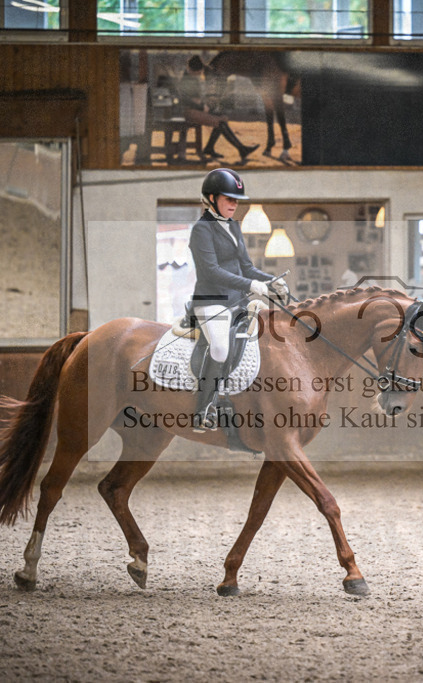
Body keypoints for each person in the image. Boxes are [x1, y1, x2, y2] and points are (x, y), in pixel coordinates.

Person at [189, 168, 288, 431]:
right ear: (212, 198)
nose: (234, 204)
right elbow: (211, 271)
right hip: (211, 301)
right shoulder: (201, 230)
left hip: (237, 301)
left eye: (236, 200)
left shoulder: (233, 226)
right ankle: (204, 410)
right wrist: (251, 285)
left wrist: (270, 280)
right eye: (228, 199)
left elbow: (246, 267)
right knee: (220, 348)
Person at [180, 56, 259, 163]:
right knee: (220, 121)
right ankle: (241, 149)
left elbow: (196, 99)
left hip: (196, 109)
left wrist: (204, 105)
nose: (200, 74)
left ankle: (210, 148)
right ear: (193, 70)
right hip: (189, 112)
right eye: (199, 72)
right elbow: (187, 100)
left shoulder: (191, 77)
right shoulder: (187, 80)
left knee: (223, 117)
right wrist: (203, 107)